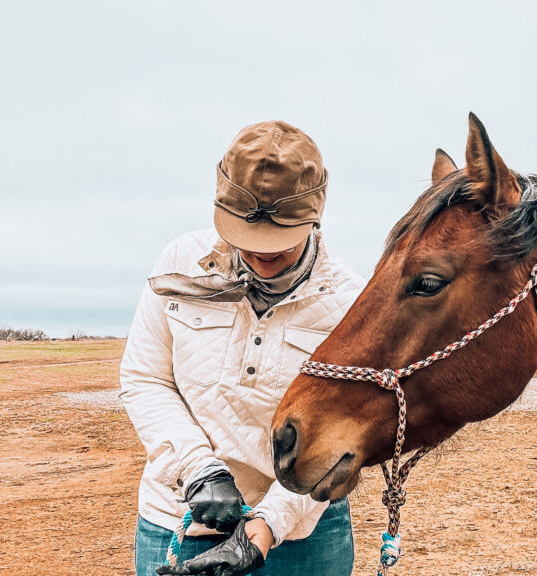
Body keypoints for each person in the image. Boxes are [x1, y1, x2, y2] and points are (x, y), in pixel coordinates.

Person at [120, 120, 364, 576]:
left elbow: (343, 435)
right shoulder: (179, 263)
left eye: (280, 241)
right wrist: (200, 471)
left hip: (303, 535)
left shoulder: (350, 302)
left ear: (316, 216)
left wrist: (271, 522)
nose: (260, 255)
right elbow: (144, 378)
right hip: (177, 518)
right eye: (247, 238)